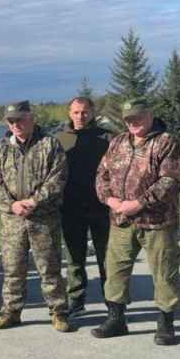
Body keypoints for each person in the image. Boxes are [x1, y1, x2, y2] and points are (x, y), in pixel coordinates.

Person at [92, 98, 180, 346]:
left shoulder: (167, 142)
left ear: (150, 115)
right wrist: (109, 199)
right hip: (121, 219)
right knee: (115, 270)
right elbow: (102, 174)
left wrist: (139, 203)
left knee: (164, 272)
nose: (133, 122)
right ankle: (116, 319)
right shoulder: (118, 142)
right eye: (128, 118)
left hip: (157, 221)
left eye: (138, 117)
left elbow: (170, 180)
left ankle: (166, 323)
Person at [0, 101, 72, 332]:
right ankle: (11, 312)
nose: (16, 124)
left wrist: (34, 201)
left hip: (43, 218)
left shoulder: (50, 144)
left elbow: (58, 177)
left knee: (50, 268)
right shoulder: (2, 147)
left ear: (31, 118)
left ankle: (59, 312)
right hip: (13, 220)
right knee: (13, 269)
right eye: (11, 121)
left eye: (20, 119)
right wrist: (11, 204)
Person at [55, 97, 111, 316]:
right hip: (71, 208)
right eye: (76, 112)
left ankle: (112, 300)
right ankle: (76, 298)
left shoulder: (107, 137)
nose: (81, 116)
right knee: (74, 258)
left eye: (85, 112)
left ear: (92, 112)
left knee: (106, 256)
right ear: (69, 113)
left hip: (101, 207)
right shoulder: (59, 139)